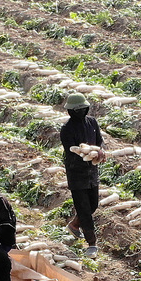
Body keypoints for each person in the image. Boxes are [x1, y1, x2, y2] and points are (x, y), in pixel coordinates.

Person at [59, 93, 104, 258]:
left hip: (92, 171)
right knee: (84, 208)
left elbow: (99, 141)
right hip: (76, 173)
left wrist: (99, 151)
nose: (81, 112)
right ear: (71, 111)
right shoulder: (66, 130)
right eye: (77, 110)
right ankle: (92, 244)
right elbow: (72, 152)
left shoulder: (92, 122)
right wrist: (86, 154)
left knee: (93, 205)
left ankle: (74, 224)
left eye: (83, 109)